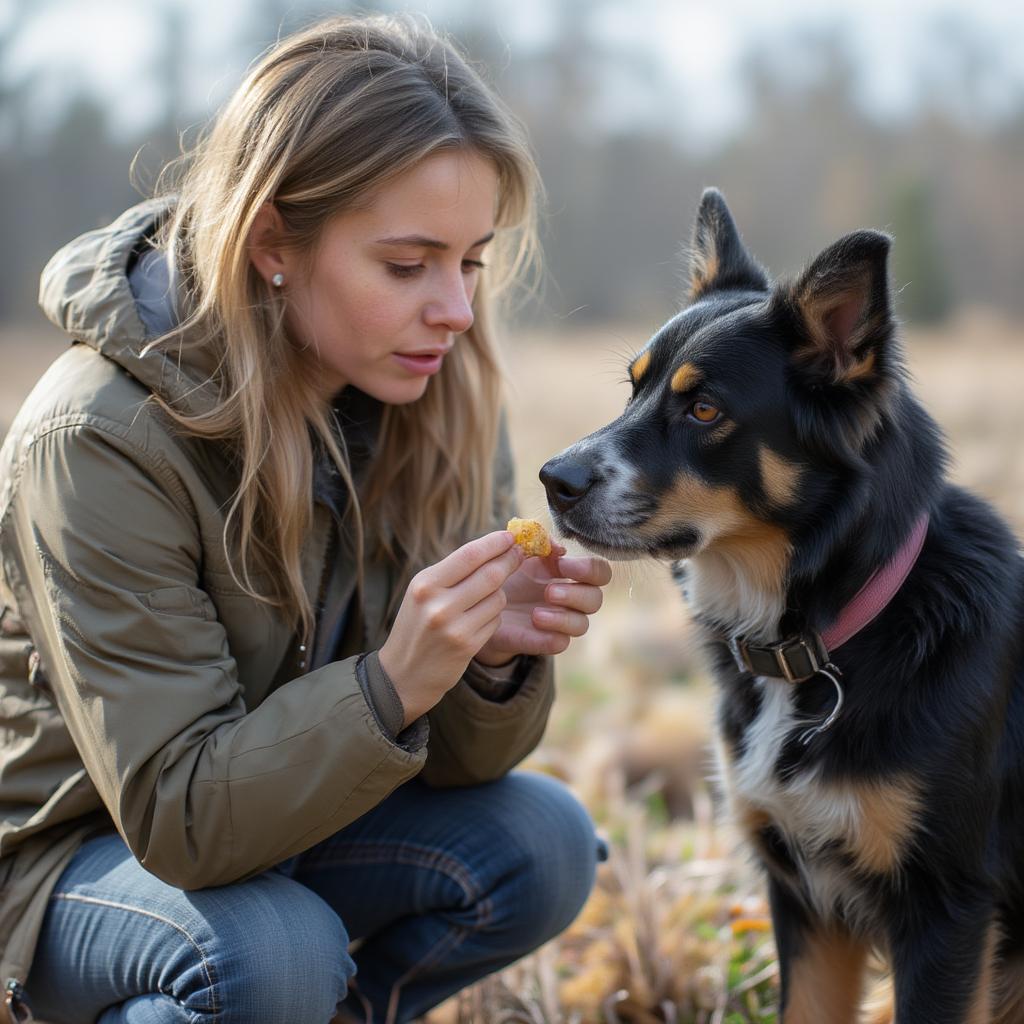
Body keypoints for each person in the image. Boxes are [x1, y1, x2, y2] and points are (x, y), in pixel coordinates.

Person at [0, 14, 612, 1024]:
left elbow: (469, 768)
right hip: (77, 860)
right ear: (273, 242)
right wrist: (393, 682)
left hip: (289, 828)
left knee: (540, 841)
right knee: (271, 956)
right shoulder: (93, 438)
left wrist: (485, 664)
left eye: (470, 261)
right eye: (408, 264)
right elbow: (181, 818)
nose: (455, 311)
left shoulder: (438, 395)